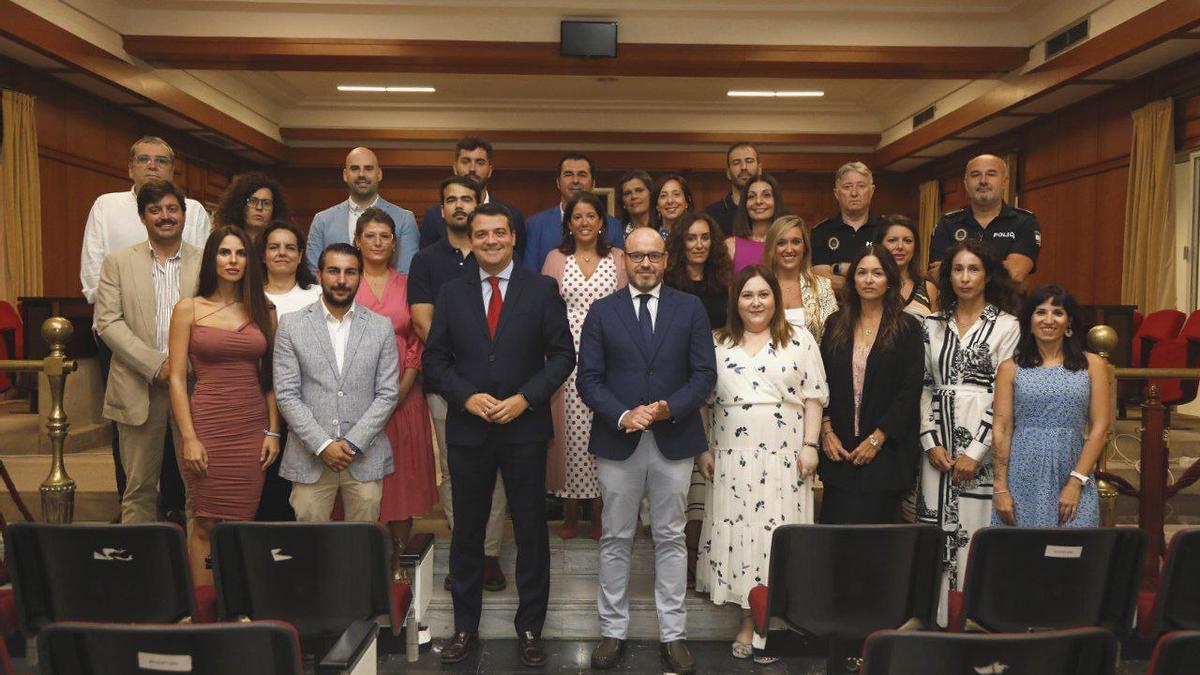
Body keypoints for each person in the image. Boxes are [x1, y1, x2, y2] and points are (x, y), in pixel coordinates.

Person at [423, 203, 575, 667]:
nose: (490, 240)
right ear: (471, 240)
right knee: (467, 534)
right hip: (469, 430)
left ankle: (531, 628)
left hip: (525, 429)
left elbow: (562, 356)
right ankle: (464, 627)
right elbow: (434, 360)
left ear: (513, 238)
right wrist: (465, 398)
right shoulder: (451, 292)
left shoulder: (541, 289)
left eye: (499, 233)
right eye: (481, 234)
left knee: (530, 532)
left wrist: (525, 399)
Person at [577, 227, 718, 674]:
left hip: (673, 438)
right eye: (636, 256)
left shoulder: (690, 307)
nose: (644, 264)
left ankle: (673, 635)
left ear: (664, 258)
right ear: (625, 261)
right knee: (616, 537)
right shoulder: (602, 312)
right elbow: (589, 379)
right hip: (619, 440)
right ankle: (612, 631)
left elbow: (704, 374)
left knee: (671, 537)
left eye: (653, 256)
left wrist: (665, 410)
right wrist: (624, 415)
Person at [696, 265, 827, 663]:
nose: (756, 302)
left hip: (784, 459)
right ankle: (747, 621)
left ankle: (771, 620)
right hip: (732, 459)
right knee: (741, 538)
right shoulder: (717, 343)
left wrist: (810, 445)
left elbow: (814, 397)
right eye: (747, 295)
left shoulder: (800, 340)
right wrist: (704, 449)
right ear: (736, 301)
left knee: (776, 538)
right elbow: (702, 402)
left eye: (763, 294)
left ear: (776, 298)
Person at [81, 136, 209, 516]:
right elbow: (107, 320)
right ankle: (138, 573)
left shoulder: (206, 263)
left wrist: (181, 368)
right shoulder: (118, 263)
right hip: (137, 384)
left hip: (195, 385)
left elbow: (216, 316)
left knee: (197, 491)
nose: (165, 216)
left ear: (184, 215)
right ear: (143, 217)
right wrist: (156, 365)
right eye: (156, 210)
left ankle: (193, 572)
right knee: (137, 492)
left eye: (173, 209)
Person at [410, 176, 510, 593]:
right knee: (453, 469)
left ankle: (487, 554)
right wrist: (460, 375)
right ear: (441, 209)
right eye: (450, 200)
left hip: (501, 387)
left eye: (466, 198)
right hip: (447, 384)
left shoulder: (499, 256)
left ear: (479, 202)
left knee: (499, 471)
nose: (458, 205)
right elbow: (421, 321)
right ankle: (464, 549)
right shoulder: (427, 260)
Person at [917, 239, 1020, 626]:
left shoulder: (1007, 326)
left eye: (973, 269)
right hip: (937, 449)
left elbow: (1004, 392)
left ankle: (975, 617)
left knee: (974, 533)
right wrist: (930, 442)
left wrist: (976, 451)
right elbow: (925, 384)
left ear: (987, 274)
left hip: (984, 446)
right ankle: (938, 620)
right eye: (957, 269)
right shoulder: (932, 323)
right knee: (935, 533)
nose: (964, 277)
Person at [167, 226, 278, 584]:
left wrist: (273, 431)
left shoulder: (264, 309)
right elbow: (176, 378)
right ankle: (202, 610)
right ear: (212, 259)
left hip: (251, 428)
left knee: (241, 523)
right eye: (225, 253)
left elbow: (270, 378)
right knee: (205, 522)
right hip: (207, 426)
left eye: (241, 253)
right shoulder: (188, 309)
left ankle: (236, 610)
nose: (233, 261)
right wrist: (188, 438)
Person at [273, 243, 400, 522]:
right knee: (311, 548)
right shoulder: (291, 325)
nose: (341, 280)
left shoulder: (381, 327)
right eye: (333, 271)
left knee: (360, 547)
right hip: (310, 456)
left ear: (360, 276)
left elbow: (388, 394)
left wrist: (353, 443)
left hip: (364, 457)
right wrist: (322, 444)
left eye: (350, 272)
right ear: (319, 275)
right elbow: (286, 395)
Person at [354, 208, 437, 577]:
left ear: (394, 243)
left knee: (401, 479)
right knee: (361, 481)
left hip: (405, 396)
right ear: (357, 241)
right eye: (369, 235)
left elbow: (420, 336)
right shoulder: (344, 280)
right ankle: (364, 560)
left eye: (384, 236)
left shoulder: (408, 283)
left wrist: (400, 390)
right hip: (355, 400)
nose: (377, 243)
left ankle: (398, 561)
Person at [543, 192, 628, 540]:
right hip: (566, 355)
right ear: (568, 223)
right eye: (577, 217)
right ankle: (569, 513)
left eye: (591, 216)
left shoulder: (619, 258)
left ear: (602, 222)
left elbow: (626, 308)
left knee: (603, 430)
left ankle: (599, 512)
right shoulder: (554, 258)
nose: (584, 223)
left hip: (608, 355)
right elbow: (544, 310)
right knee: (569, 437)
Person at [817, 245, 923, 524]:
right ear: (853, 279)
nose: (868, 279)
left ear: (889, 279)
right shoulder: (835, 324)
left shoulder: (907, 328)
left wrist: (877, 439)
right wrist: (826, 430)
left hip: (885, 459)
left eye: (877, 273)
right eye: (862, 272)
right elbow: (820, 382)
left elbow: (910, 391)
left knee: (877, 551)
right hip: (838, 454)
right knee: (836, 546)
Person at [992, 285, 1109, 528]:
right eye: (1040, 312)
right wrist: (1000, 488)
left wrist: (1075, 482)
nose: (1048, 320)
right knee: (1026, 558)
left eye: (1057, 312)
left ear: (1069, 322)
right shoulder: (1010, 368)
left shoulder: (1092, 365)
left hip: (1074, 470)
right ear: (1029, 320)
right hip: (1023, 475)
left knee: (1074, 555)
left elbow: (1100, 427)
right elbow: (1002, 429)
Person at [663, 211, 730, 587]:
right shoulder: (669, 283)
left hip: (723, 383)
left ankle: (710, 557)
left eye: (705, 238)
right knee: (685, 476)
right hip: (680, 381)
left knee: (712, 470)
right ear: (679, 244)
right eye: (691, 238)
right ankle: (687, 560)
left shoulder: (726, 282)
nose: (699, 245)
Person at [257, 220, 321, 521]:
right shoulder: (249, 297)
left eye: (289, 247)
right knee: (265, 494)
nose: (282, 253)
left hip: (309, 411)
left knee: (304, 496)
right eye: (274, 247)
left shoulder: (318, 296)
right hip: (257, 409)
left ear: (300, 254)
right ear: (263, 254)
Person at [928, 154, 1040, 284]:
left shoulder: (1024, 222)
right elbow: (937, 276)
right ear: (966, 183)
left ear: (1005, 182)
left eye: (991, 174)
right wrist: (1000, 267)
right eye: (975, 175)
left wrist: (958, 268)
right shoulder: (947, 224)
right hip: (958, 305)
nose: (983, 180)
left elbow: (1015, 273)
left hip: (1007, 304)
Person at [305, 147, 419, 274]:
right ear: (345, 175)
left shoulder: (404, 219)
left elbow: (406, 272)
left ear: (379, 174)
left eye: (368, 168)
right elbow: (314, 272)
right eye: (355, 168)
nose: (361, 174)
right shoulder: (322, 220)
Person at [419, 136, 527, 256]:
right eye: (466, 161)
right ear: (455, 167)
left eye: (480, 162)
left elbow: (517, 263)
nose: (472, 169)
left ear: (490, 170)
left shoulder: (511, 215)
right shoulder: (435, 215)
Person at [523, 152, 624, 272]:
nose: (575, 180)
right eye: (568, 174)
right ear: (558, 183)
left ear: (593, 183)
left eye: (582, 175)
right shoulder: (536, 224)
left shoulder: (614, 226)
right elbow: (529, 274)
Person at [811, 161, 885, 289]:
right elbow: (822, 279)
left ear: (872, 191)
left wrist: (838, 269)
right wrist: (867, 284)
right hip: (836, 307)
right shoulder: (821, 231)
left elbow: (891, 274)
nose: (854, 193)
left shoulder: (886, 228)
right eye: (847, 187)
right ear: (836, 193)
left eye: (861, 186)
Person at [762, 215, 837, 340]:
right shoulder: (760, 286)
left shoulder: (823, 286)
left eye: (796, 242)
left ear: (805, 248)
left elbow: (833, 337)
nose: (789, 249)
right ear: (772, 248)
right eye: (781, 243)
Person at [880, 214, 938, 318]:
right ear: (880, 245)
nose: (900, 246)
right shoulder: (870, 283)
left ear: (915, 247)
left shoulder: (928, 289)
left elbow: (936, 332)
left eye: (907, 241)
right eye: (892, 240)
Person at [726, 173, 785, 274]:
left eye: (766, 195)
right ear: (745, 203)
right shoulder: (730, 246)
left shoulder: (787, 244)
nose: (758, 201)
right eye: (751, 196)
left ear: (776, 201)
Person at [212, 172, 291, 243]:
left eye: (266, 203)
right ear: (240, 205)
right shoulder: (226, 241)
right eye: (253, 201)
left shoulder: (279, 246)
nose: (259, 207)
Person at [703, 141, 761, 237]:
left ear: (760, 169)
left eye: (749, 161)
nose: (743, 167)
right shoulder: (710, 215)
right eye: (736, 163)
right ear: (728, 173)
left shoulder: (774, 211)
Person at [651, 174, 693, 239]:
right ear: (657, 206)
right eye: (663, 196)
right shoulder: (649, 237)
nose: (670, 201)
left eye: (676, 194)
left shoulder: (696, 235)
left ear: (687, 202)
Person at [617, 170, 654, 236]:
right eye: (627, 193)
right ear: (623, 202)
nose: (633, 196)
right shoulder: (616, 234)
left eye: (639, 190)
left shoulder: (663, 230)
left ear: (650, 195)